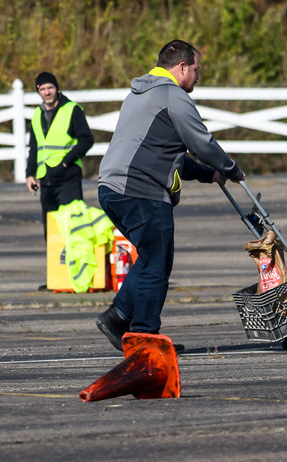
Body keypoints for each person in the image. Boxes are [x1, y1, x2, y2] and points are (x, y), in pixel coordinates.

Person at [95, 39, 245, 351]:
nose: (198, 76)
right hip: (140, 191)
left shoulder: (142, 93)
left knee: (153, 259)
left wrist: (208, 173)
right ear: (181, 68)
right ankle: (145, 338)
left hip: (113, 188)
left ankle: (120, 317)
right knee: (157, 263)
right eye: (196, 69)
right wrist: (230, 167)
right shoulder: (172, 96)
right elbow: (202, 143)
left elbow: (166, 153)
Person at [25, 72, 94, 290]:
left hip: (67, 179)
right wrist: (30, 174)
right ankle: (57, 277)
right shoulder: (36, 115)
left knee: (73, 228)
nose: (47, 92)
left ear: (56, 88)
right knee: (52, 232)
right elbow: (34, 148)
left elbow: (86, 140)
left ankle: (78, 276)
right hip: (46, 181)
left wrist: (66, 162)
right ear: (38, 91)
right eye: (42, 89)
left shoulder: (72, 110)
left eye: (50, 88)